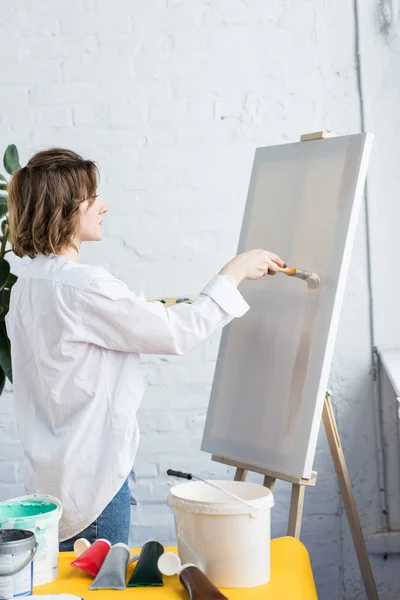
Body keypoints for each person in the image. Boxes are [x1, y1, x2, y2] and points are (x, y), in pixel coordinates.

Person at [5, 148, 285, 551]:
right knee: (101, 590)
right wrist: (235, 271)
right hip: (95, 483)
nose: (103, 206)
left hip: (51, 482)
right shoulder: (85, 286)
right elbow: (177, 334)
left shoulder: (27, 287)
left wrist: (146, 308)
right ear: (66, 209)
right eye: (93, 197)